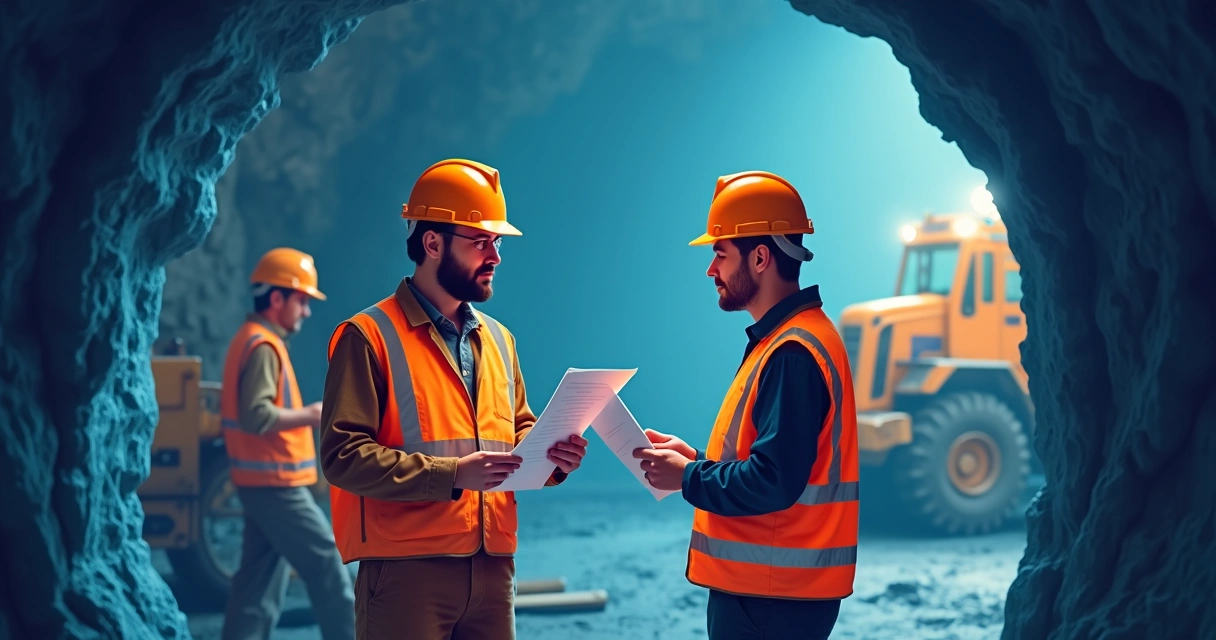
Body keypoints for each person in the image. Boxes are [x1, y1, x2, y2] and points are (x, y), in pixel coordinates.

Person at [318, 158, 588, 640]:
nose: (496, 255)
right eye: (481, 241)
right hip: (406, 571)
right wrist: (455, 475)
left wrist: (552, 457)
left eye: (497, 241)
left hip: (493, 567)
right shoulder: (368, 336)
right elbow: (343, 458)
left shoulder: (501, 340)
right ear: (432, 242)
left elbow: (518, 431)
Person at [634, 171, 859, 640]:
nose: (710, 270)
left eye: (719, 253)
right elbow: (773, 459)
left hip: (771, 596)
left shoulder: (792, 352)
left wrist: (687, 477)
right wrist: (695, 459)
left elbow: (774, 480)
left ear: (760, 257)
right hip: (778, 592)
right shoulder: (791, 340)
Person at [219, 247, 356, 640]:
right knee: (328, 564)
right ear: (276, 298)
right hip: (276, 486)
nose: (306, 311)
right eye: (302, 301)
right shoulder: (262, 346)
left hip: (260, 482)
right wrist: (312, 415)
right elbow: (256, 415)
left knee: (257, 585)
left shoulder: (252, 340)